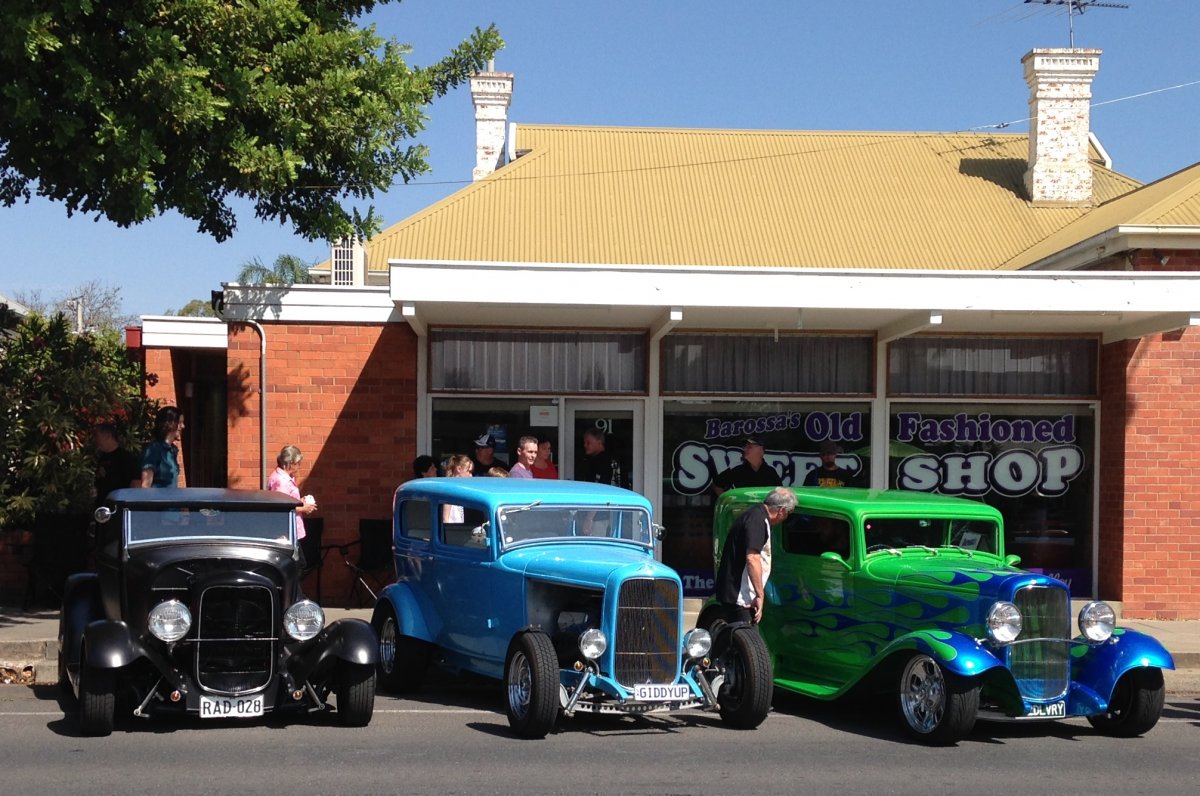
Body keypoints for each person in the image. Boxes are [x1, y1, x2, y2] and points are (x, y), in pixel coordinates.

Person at [714, 487, 796, 624]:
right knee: (749, 640)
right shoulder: (757, 520)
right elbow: (752, 558)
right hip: (739, 595)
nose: (786, 518)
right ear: (781, 510)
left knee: (737, 638)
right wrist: (760, 594)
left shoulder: (755, 515)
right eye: (788, 513)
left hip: (739, 593)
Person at [267, 445, 317, 565]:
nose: (299, 467)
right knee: (297, 565)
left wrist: (300, 501)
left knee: (298, 564)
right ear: (290, 463)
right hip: (286, 529)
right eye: (297, 463)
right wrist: (303, 508)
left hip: (290, 528)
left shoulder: (285, 478)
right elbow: (281, 507)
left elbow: (287, 500)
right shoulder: (281, 481)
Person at [712, 438, 782, 497]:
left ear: (760, 450)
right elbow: (717, 485)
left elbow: (780, 493)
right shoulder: (737, 468)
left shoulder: (771, 470)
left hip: (763, 512)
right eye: (745, 447)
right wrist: (728, 502)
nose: (745, 449)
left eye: (749, 447)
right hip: (743, 512)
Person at [92, 423, 140, 509]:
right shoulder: (102, 458)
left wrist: (128, 506)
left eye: (97, 436)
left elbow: (135, 485)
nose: (95, 440)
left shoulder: (126, 458)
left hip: (119, 509)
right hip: (103, 509)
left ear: (107, 436)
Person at [140, 406, 184, 488]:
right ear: (170, 423)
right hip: (158, 500)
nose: (183, 426)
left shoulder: (172, 450)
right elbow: (145, 486)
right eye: (180, 423)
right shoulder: (154, 449)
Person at [443, 454, 474, 523]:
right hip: (451, 529)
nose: (471, 475)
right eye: (468, 471)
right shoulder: (450, 488)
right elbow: (445, 518)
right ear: (459, 469)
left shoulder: (459, 488)